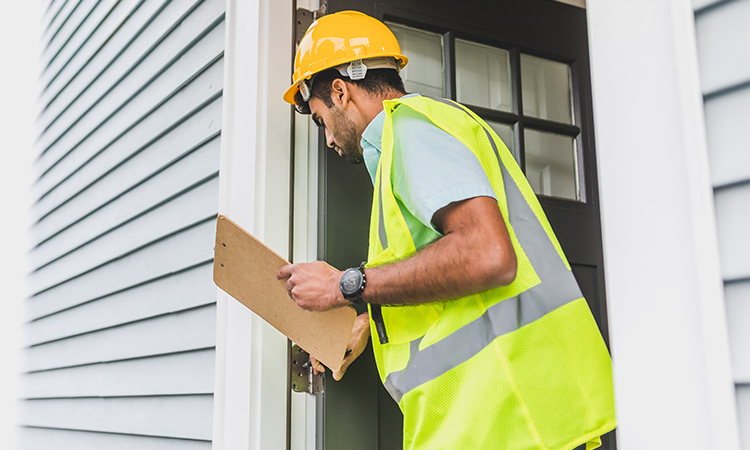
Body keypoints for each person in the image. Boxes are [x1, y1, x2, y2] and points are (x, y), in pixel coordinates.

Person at [276, 10, 616, 450]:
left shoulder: (412, 131)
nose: (327, 139)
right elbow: (444, 271)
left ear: (340, 91)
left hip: (506, 418)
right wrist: (368, 319)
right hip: (502, 417)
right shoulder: (420, 134)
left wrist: (345, 285)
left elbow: (486, 255)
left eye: (321, 119)